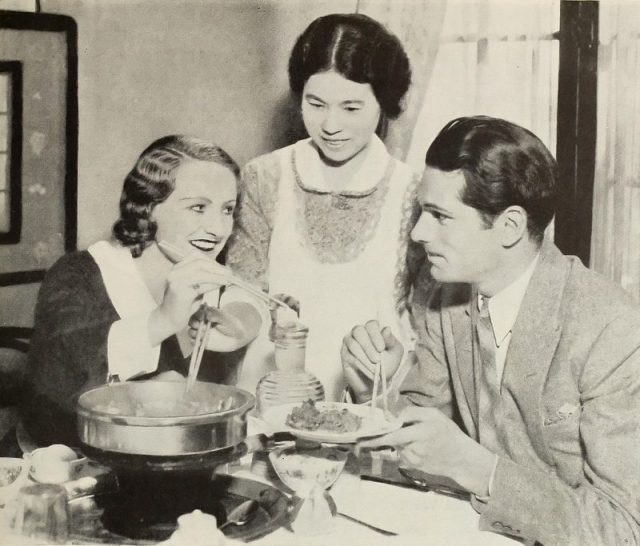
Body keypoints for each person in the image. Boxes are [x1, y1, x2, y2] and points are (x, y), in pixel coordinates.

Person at [342, 116, 640, 545]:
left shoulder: (611, 329)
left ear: (510, 226)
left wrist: (479, 470)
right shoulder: (442, 297)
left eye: (440, 216)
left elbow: (623, 529)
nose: (418, 232)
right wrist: (384, 380)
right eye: (422, 211)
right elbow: (422, 447)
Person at [226, 13, 422, 401]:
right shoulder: (266, 176)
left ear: (384, 102)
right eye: (316, 104)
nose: (330, 125)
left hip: (376, 395)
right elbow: (245, 289)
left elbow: (427, 322)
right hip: (276, 390)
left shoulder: (413, 190)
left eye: (351, 108)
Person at [23, 135, 263, 446]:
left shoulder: (206, 272)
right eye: (198, 207)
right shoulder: (78, 274)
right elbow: (56, 385)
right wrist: (162, 319)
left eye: (227, 210)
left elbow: (249, 302)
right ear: (148, 206)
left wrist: (244, 323)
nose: (218, 229)